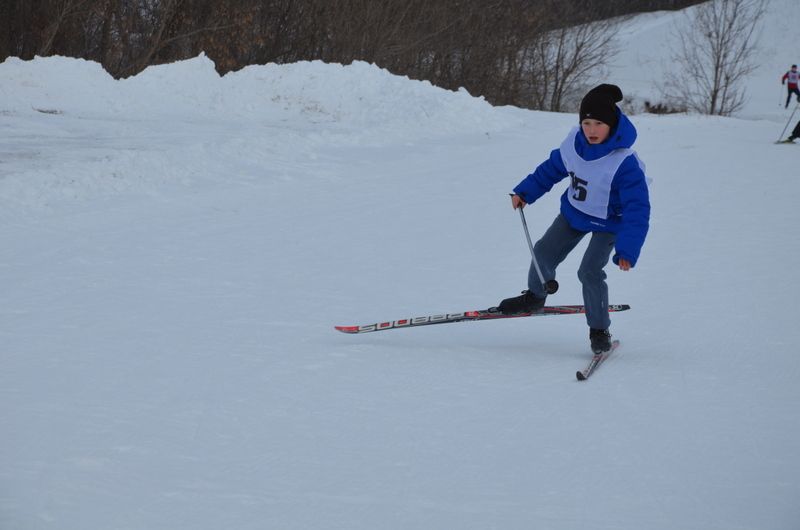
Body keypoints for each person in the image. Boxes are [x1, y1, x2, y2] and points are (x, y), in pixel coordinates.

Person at [497, 84, 650, 354]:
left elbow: (637, 209)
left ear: (612, 124)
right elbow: (551, 170)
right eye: (586, 122)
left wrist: (628, 249)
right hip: (574, 214)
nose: (591, 130)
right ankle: (535, 297)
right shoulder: (574, 144)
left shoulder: (624, 162)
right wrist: (525, 191)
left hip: (609, 223)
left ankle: (599, 329)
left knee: (588, 272)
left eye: (599, 123)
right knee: (543, 252)